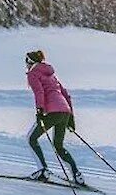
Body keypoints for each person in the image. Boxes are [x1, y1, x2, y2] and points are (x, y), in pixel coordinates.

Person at [25, 49, 83, 185]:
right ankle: (77, 175)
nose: (26, 65)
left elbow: (39, 92)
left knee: (31, 138)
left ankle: (42, 171)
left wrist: (39, 110)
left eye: (26, 61)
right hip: (64, 112)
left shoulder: (33, 74)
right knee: (58, 146)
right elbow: (66, 95)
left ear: (30, 62)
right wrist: (71, 118)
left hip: (52, 112)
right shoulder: (51, 74)